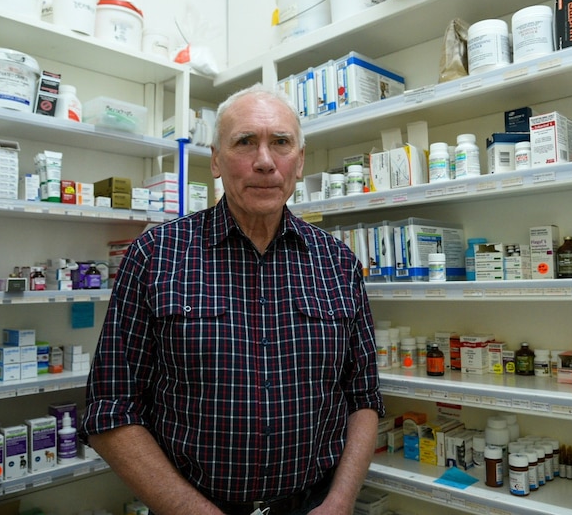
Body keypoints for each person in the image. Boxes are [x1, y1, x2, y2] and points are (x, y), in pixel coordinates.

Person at [80, 83, 385, 515]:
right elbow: (109, 408)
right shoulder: (156, 256)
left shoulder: (338, 264)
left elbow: (364, 397)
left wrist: (339, 502)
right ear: (217, 161)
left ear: (299, 161)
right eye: (245, 142)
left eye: (281, 142)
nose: (265, 161)